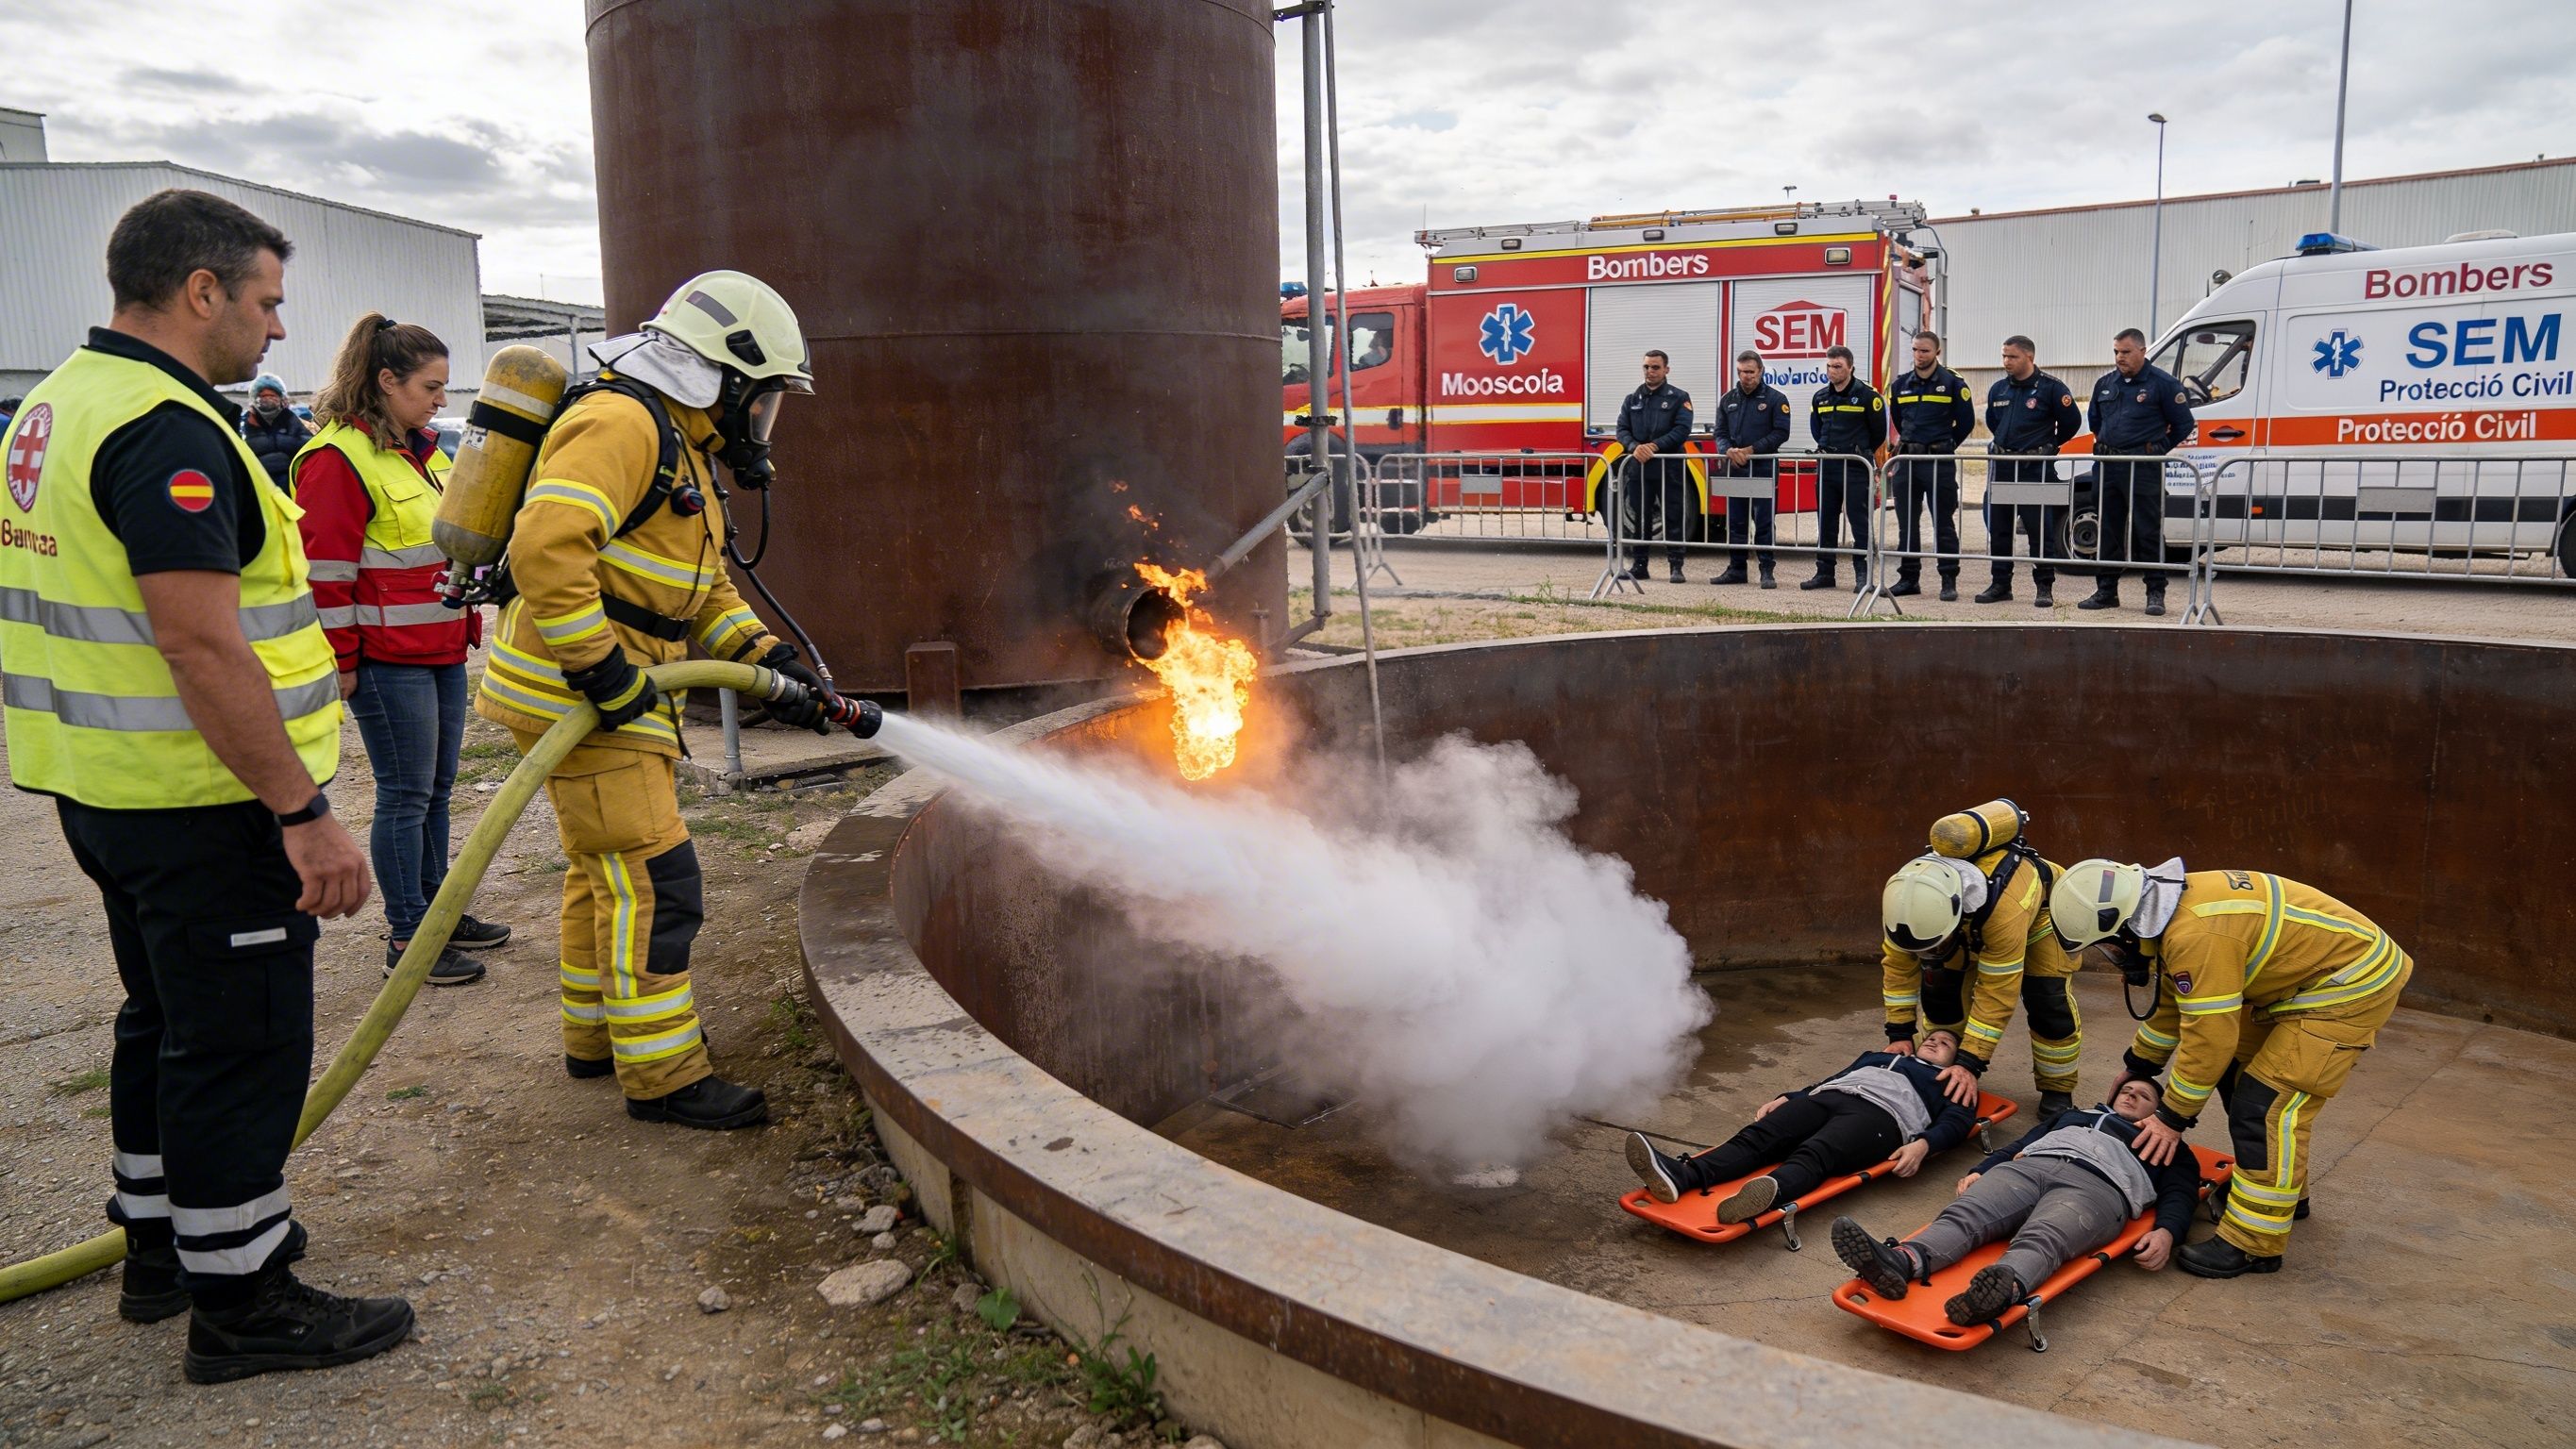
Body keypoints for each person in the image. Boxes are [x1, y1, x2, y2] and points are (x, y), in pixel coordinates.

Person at [0, 188, 410, 1380]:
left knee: (164, 1020)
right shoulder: (167, 431)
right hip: (205, 802)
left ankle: (163, 1252)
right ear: (201, 292)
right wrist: (303, 813)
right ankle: (246, 1303)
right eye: (267, 301)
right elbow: (198, 644)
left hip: (104, 792)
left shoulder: (56, 406)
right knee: (237, 1043)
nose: (280, 330)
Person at [474, 269, 835, 1129]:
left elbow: (698, 590)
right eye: (766, 397)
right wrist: (601, 671)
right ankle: (664, 1075)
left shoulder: (679, 443)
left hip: (594, 693)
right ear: (724, 374)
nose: (765, 420)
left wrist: (774, 665)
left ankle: (595, 1038)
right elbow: (547, 548)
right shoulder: (623, 422)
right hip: (583, 696)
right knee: (656, 879)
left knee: (601, 870)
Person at [2051, 859, 2411, 1277]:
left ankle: (2254, 1243)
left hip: (2348, 987)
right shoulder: (2168, 908)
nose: (2113, 956)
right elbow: (2175, 1004)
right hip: (2307, 982)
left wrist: (2171, 1118)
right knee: (2237, 1075)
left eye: (2109, 946)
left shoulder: (2195, 934)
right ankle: (2286, 1198)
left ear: (2125, 926)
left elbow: (2210, 1039)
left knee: (2264, 1106)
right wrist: (2140, 1066)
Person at [293, 314, 510, 989]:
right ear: (386, 382)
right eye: (430, 387)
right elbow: (325, 574)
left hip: (439, 645)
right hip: (388, 659)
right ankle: (410, 934)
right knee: (405, 793)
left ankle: (439, 911)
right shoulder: (335, 459)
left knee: (436, 789)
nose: (442, 401)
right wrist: (345, 663)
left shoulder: (422, 449)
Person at [1830, 1076, 2199, 1326]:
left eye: (2144, 1095)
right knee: (1964, 1216)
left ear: (2159, 1112)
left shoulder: (2168, 1144)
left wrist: (2168, 1230)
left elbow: (2181, 1192)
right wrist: (1985, 1167)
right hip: (2030, 1168)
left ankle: (1997, 1294)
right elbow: (2021, 1144)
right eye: (2127, 1089)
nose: (2132, 1094)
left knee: (2045, 1236)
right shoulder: (2074, 1116)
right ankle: (1899, 1262)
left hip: (2097, 1189)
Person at [1626, 1029, 1979, 1224]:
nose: (1934, 1040)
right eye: (1931, 1036)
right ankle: (1681, 1176)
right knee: (1758, 1137)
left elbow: (1958, 1123)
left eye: (1945, 1043)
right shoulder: (1879, 1057)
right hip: (1828, 1096)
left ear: (1957, 1059)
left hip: (1882, 1117)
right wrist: (1791, 1096)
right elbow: (1835, 1077)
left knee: (1816, 1153)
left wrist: (1923, 1145)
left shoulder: (1954, 1081)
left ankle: (1768, 1193)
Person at [1880, 810, 2083, 1115]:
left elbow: (1996, 993)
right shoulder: (1905, 899)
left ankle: (2058, 1088)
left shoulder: (2003, 912)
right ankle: (1934, 1073)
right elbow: (1898, 968)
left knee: (2048, 1002)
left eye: (1935, 945)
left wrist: (1971, 1062)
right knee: (1942, 998)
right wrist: (1899, 1034)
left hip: (2041, 916)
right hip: (1967, 924)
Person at [2080, 328, 2196, 615]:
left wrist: (2157, 450)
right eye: (2117, 351)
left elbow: (2183, 424)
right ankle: (2106, 591)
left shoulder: (2163, 385)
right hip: (2108, 467)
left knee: (2147, 531)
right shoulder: (2105, 384)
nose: (2120, 357)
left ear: (2143, 351)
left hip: (2143, 467)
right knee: (2107, 530)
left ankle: (2155, 592)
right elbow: (2096, 421)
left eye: (2126, 351)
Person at [1975, 336, 2081, 608]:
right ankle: (2000, 585)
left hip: (2034, 470)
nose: (2006, 362)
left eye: (2012, 357)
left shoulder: (2051, 389)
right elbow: (1993, 422)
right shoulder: (1998, 389)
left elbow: (2071, 423)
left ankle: (2044, 587)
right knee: (1999, 529)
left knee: (2039, 531)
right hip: (2004, 469)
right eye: (2004, 356)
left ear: (2029, 357)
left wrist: (2049, 446)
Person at [1885, 330, 1976, 600]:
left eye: (1924, 350)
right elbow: (1899, 421)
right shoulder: (1901, 385)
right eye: (1915, 350)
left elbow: (1966, 422)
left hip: (1939, 462)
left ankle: (1948, 579)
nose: (1919, 355)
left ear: (1937, 352)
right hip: (1908, 462)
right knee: (1907, 525)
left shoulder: (1953, 384)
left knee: (1943, 523)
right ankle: (1909, 578)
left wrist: (1943, 445)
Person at [1802, 345, 1883, 592]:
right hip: (1828, 467)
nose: (1831, 371)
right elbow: (1817, 429)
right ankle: (1825, 572)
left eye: (1837, 366)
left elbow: (1878, 432)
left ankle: (1863, 576)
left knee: (1859, 522)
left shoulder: (1868, 396)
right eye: (1828, 366)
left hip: (1856, 467)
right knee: (1826, 521)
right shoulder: (1820, 397)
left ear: (1850, 368)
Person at [1709, 351, 1789, 589]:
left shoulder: (1776, 399)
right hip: (1736, 468)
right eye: (1742, 372)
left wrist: (1752, 450)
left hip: (1762, 467)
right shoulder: (1728, 400)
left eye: (1751, 372)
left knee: (1763, 521)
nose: (1747, 377)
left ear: (1761, 371)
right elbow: (1720, 433)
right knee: (1736, 521)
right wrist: (1728, 450)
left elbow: (1780, 433)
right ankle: (1736, 569)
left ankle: (1766, 570)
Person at [1613, 350, 1695, 581]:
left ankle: (1676, 566)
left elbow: (1681, 430)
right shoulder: (1633, 399)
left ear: (1666, 369)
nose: (1650, 371)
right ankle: (1640, 565)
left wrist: (1654, 447)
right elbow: (1622, 429)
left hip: (1668, 467)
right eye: (1647, 367)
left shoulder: (1679, 397)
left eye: (1655, 367)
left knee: (1673, 516)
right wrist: (1633, 447)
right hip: (1639, 469)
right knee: (1640, 517)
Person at [237, 372, 309, 491]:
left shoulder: (289, 419)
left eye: (272, 396)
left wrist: (281, 441)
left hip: (289, 486)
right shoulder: (246, 423)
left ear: (281, 399)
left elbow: (307, 445)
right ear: (255, 399)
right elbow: (242, 452)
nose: (268, 400)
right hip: (258, 487)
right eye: (263, 397)